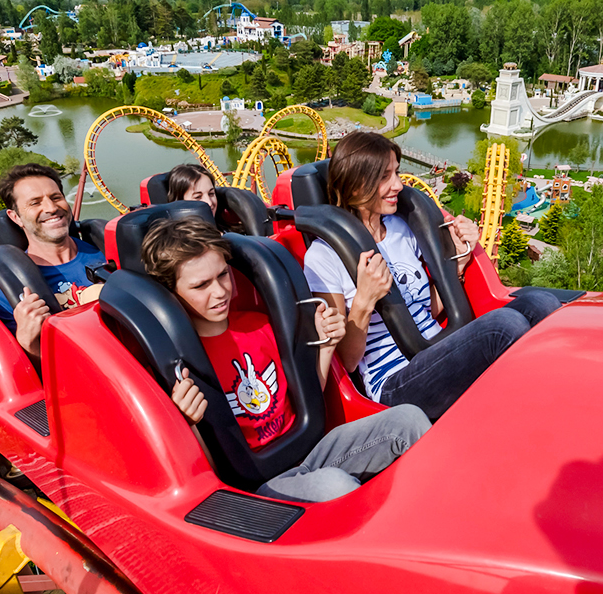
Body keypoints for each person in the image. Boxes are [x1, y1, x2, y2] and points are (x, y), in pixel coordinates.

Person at [142, 216, 429, 502]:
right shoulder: (180, 367)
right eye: (201, 286)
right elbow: (204, 475)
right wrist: (185, 423)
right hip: (260, 484)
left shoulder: (260, 325)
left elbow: (306, 396)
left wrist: (327, 346)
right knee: (335, 486)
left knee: (409, 418)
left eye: (222, 275)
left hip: (309, 450)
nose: (219, 292)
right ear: (171, 293)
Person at [304, 131, 561, 421]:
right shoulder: (324, 256)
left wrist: (461, 262)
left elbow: (427, 308)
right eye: (385, 177)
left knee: (541, 303)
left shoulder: (401, 229)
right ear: (355, 185)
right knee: (503, 326)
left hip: (435, 348)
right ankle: (530, 414)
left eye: (397, 173)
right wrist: (364, 301)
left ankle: (546, 401)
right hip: (392, 382)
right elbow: (347, 362)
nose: (398, 185)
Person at [0, 163, 106, 356]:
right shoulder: (4, 293)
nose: (51, 208)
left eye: (56, 197)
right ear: (15, 217)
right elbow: (28, 379)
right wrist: (27, 340)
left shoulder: (105, 250)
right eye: (35, 202)